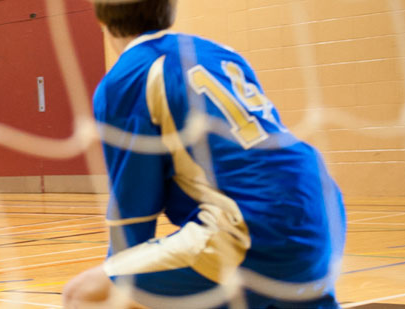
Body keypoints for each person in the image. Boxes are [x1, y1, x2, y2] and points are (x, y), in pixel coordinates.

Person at [62, 1, 346, 308]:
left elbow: (134, 211)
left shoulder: (128, 77)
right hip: (323, 209)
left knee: (86, 295)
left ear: (100, 14)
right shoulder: (220, 52)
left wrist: (117, 273)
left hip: (251, 226)